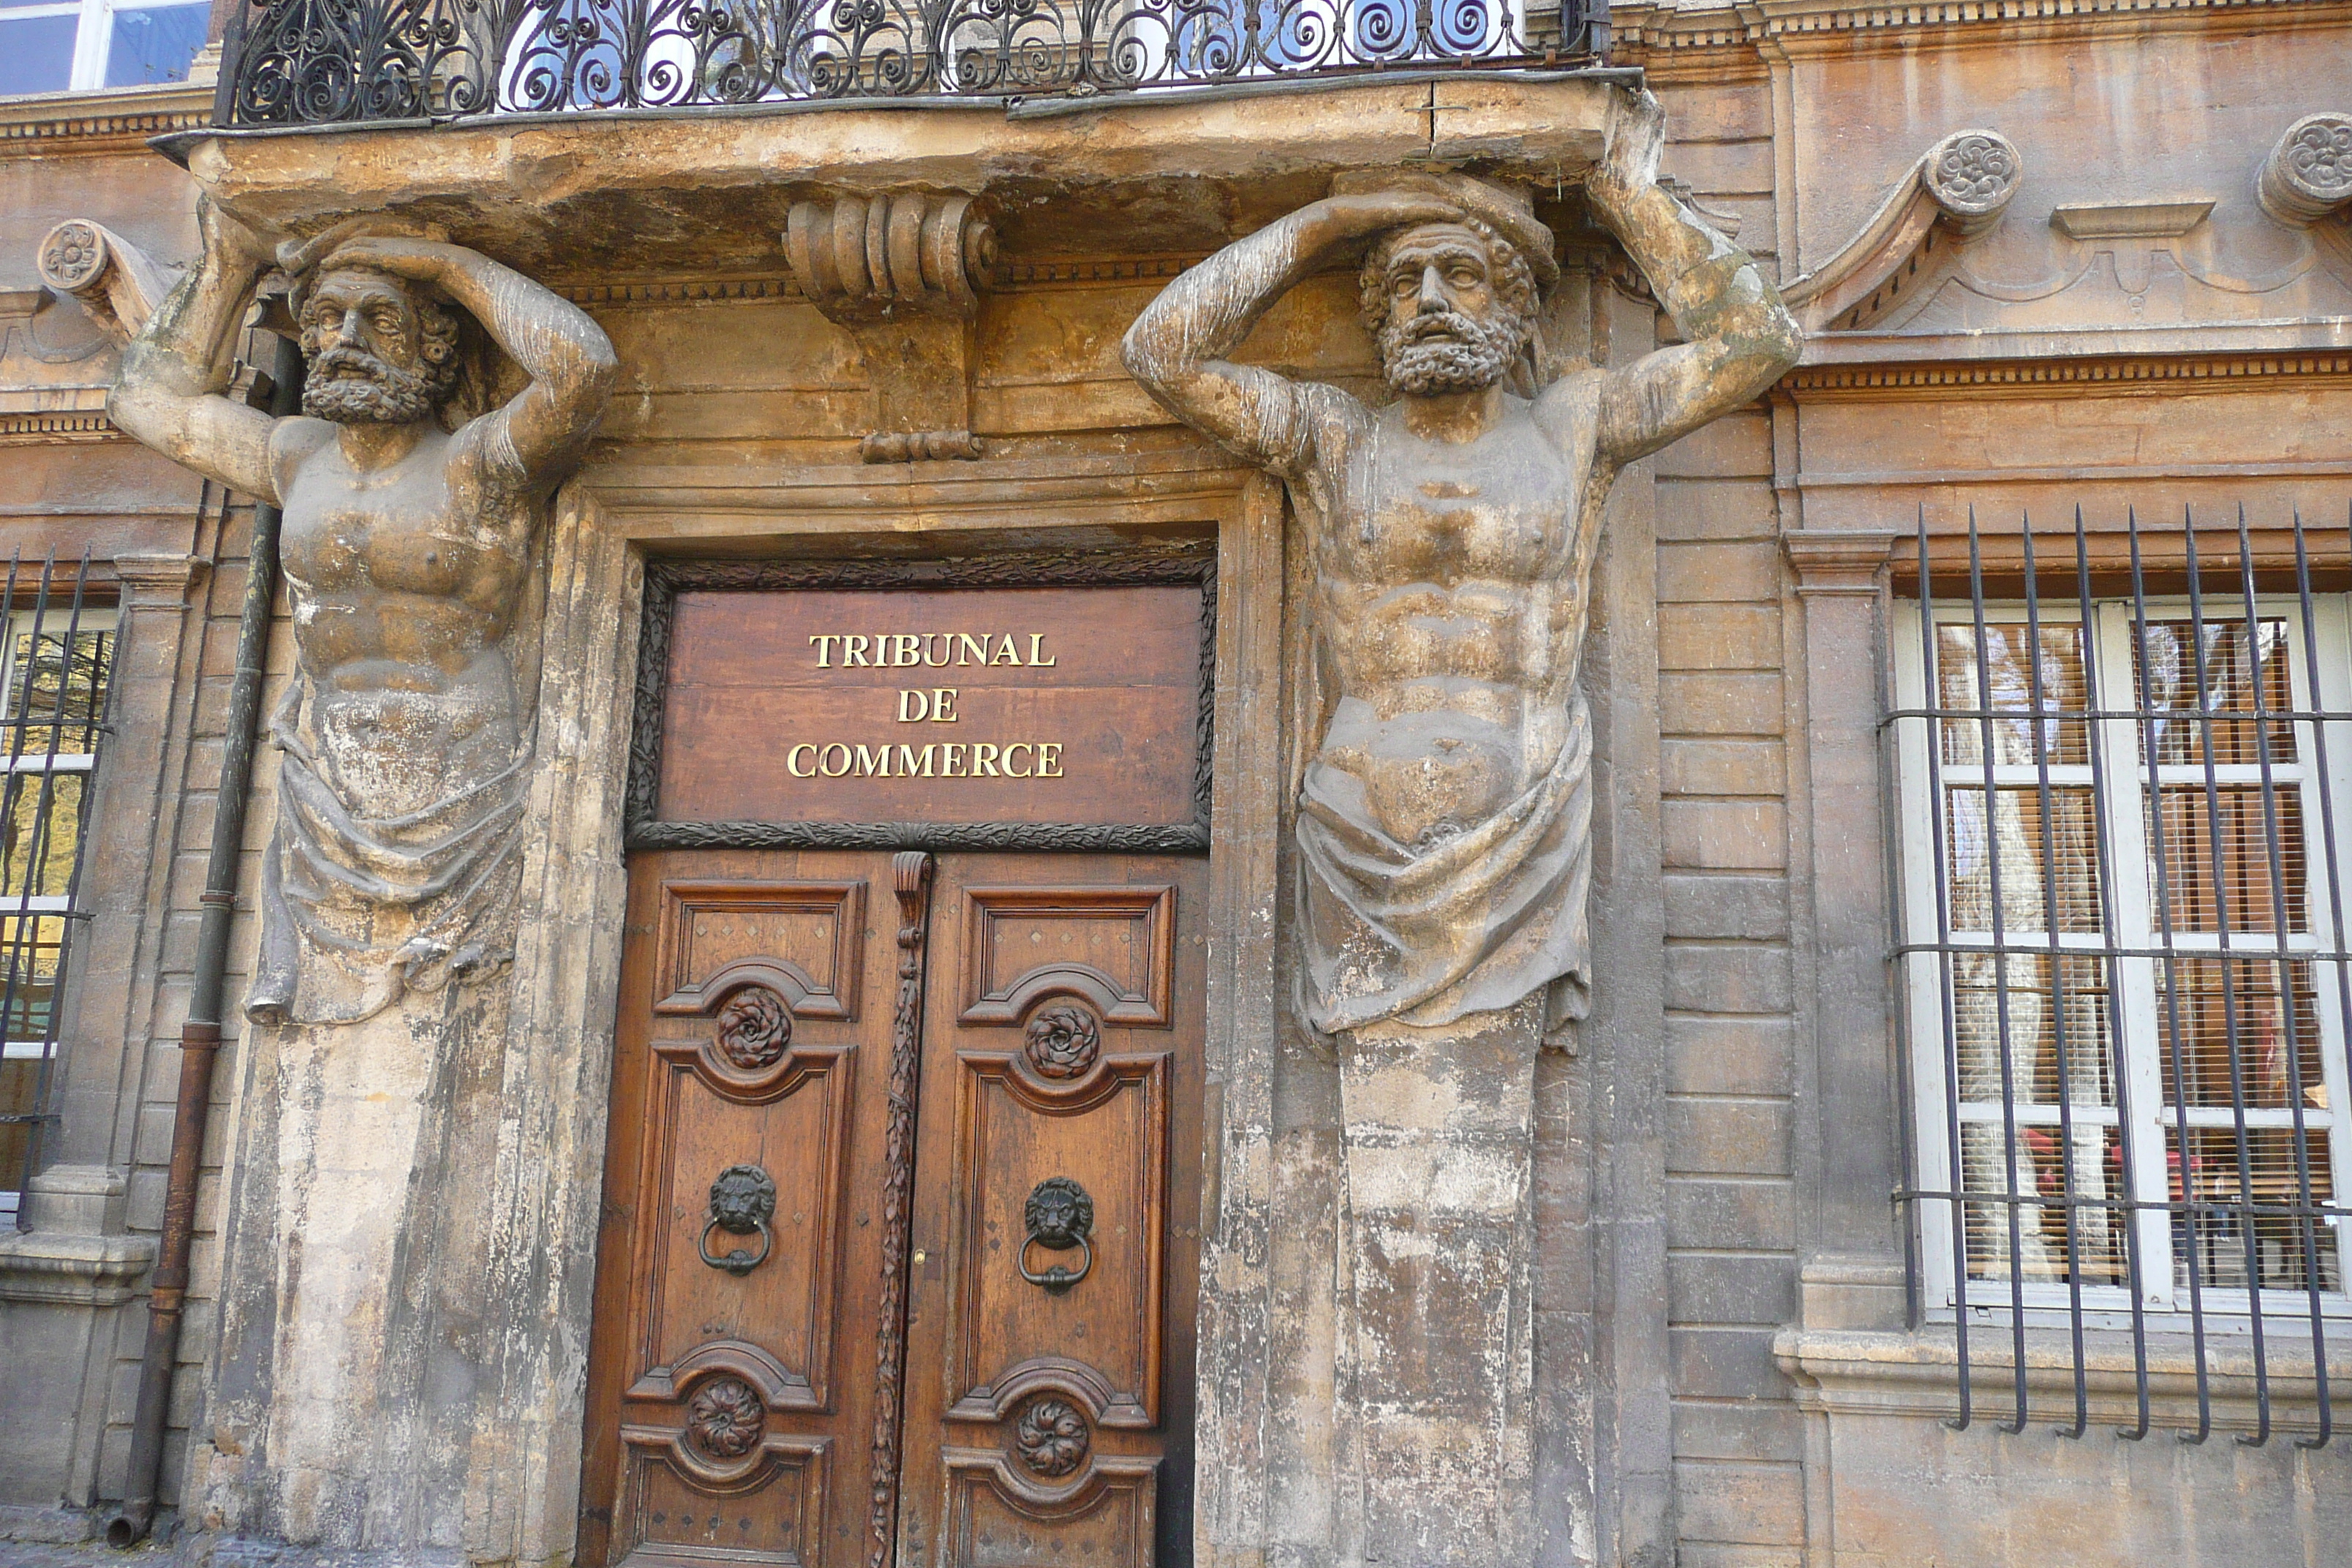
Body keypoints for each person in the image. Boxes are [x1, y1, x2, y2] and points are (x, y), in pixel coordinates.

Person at [1123, 86, 1803, 1041]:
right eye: (1405, 281)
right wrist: (1325, 223)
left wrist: (1621, 187)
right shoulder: (1333, 440)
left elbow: (1756, 345)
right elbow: (1159, 352)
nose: (1431, 299)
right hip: (1358, 837)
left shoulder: (1577, 428)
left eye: (1461, 274)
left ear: (1516, 305)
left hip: (1519, 843)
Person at [109, 205, 617, 1023]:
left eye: (380, 318)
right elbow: (145, 399)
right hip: (328, 801)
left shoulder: (476, 468)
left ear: (436, 346)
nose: (346, 337)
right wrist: (231, 259)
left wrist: (445, 267)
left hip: (464, 801)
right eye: (326, 318)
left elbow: (583, 372)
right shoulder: (296, 457)